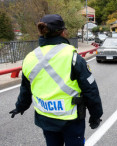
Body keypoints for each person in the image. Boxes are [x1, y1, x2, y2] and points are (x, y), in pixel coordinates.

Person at [9, 14, 103, 146]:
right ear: (63, 32)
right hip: (71, 120)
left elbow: (25, 88)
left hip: (45, 117)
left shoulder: (29, 58)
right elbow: (90, 90)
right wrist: (96, 115)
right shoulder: (73, 57)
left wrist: (20, 106)